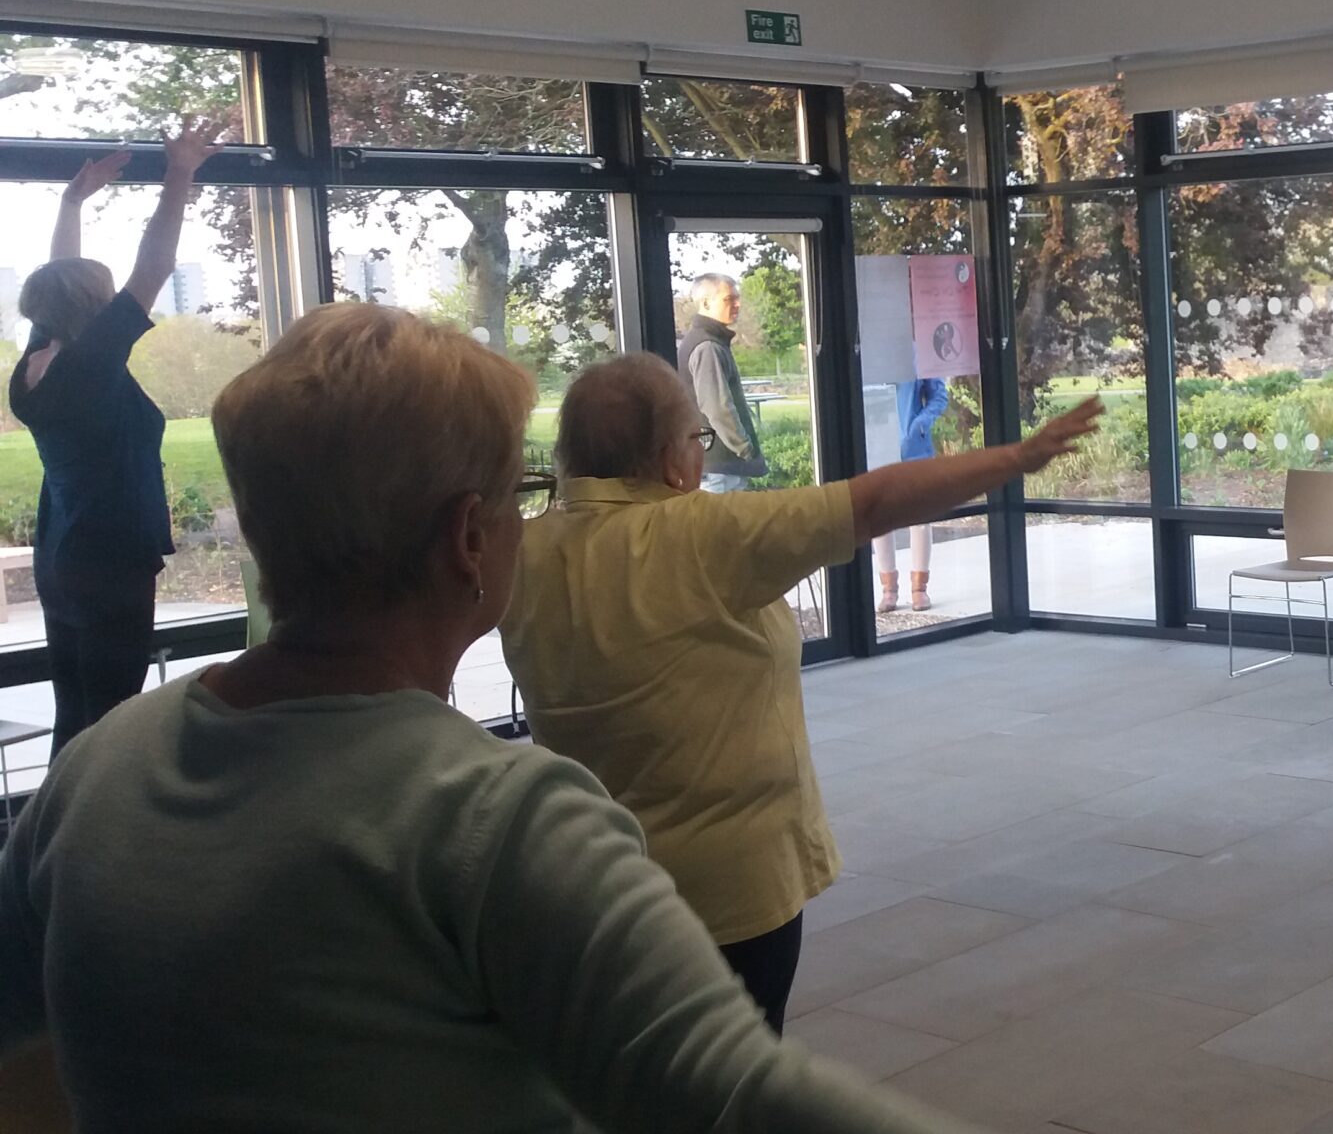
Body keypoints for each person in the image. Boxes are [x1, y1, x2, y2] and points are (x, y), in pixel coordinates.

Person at [0, 302, 986, 1132]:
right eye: (523, 491)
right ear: (468, 537)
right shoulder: (497, 820)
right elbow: (734, 1092)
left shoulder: (96, 771)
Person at [502, 355, 1099, 1028]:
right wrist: (1016, 457)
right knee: (729, 1085)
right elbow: (872, 502)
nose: (701, 455)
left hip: (592, 885)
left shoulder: (514, 552)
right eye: (698, 438)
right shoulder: (699, 536)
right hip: (726, 895)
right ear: (671, 461)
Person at [11, 121, 221, 757]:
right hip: (107, 560)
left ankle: (50, 842)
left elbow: (60, 279)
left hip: (64, 557)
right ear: (94, 310)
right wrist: (179, 172)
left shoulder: (37, 362)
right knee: (108, 721)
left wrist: (73, 202)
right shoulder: (88, 365)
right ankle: (94, 842)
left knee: (76, 710)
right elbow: (155, 264)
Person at [680, 272, 767, 492]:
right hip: (718, 468)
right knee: (718, 527)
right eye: (729, 299)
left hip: (716, 464)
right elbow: (718, 407)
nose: (737, 304)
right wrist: (745, 448)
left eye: (738, 298)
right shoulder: (707, 346)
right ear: (706, 303)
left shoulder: (708, 341)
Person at [875, 377, 950, 613]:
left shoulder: (916, 356)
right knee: (881, 520)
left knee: (920, 520)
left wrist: (920, 423)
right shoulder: (870, 356)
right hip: (878, 446)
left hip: (914, 449)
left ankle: (919, 589)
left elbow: (939, 395)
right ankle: (889, 590)